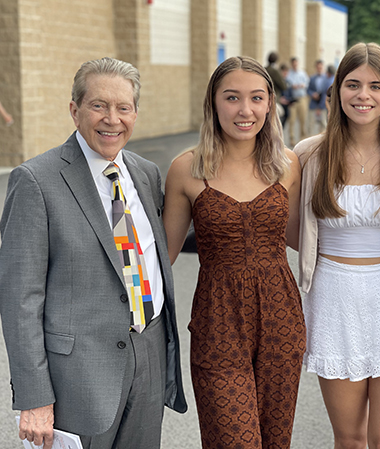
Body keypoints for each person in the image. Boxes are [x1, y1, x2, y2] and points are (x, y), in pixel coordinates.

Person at [0, 57, 187, 449]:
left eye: (123, 108)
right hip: (79, 376)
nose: (112, 119)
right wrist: (34, 399)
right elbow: (20, 300)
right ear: (75, 110)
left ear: (135, 113)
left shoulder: (146, 173)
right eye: (98, 105)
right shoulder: (36, 181)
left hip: (149, 354)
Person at [163, 56, 305, 448]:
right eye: (232, 98)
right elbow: (160, 259)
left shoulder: (287, 164)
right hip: (217, 325)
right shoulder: (187, 169)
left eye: (257, 98)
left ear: (270, 103)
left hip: (281, 322)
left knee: (275, 442)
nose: (246, 110)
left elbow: (301, 237)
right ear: (213, 102)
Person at [295, 42, 380, 448]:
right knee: (350, 438)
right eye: (352, 84)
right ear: (336, 91)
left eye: (375, 86)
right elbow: (290, 228)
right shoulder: (310, 154)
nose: (363, 95)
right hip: (334, 299)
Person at [285, 56, 309, 146]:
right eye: (293, 64)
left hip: (302, 98)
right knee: (292, 119)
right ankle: (292, 138)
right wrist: (292, 86)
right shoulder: (289, 74)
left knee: (302, 118)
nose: (295, 65)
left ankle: (302, 138)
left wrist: (303, 85)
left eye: (296, 63)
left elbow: (307, 83)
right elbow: (287, 84)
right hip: (293, 99)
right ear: (291, 64)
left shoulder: (302, 73)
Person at [307, 59, 328, 135]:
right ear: (316, 68)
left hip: (323, 105)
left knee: (323, 125)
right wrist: (312, 94)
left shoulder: (326, 78)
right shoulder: (312, 78)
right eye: (318, 67)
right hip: (313, 104)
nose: (319, 69)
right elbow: (308, 89)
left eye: (321, 67)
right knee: (310, 125)